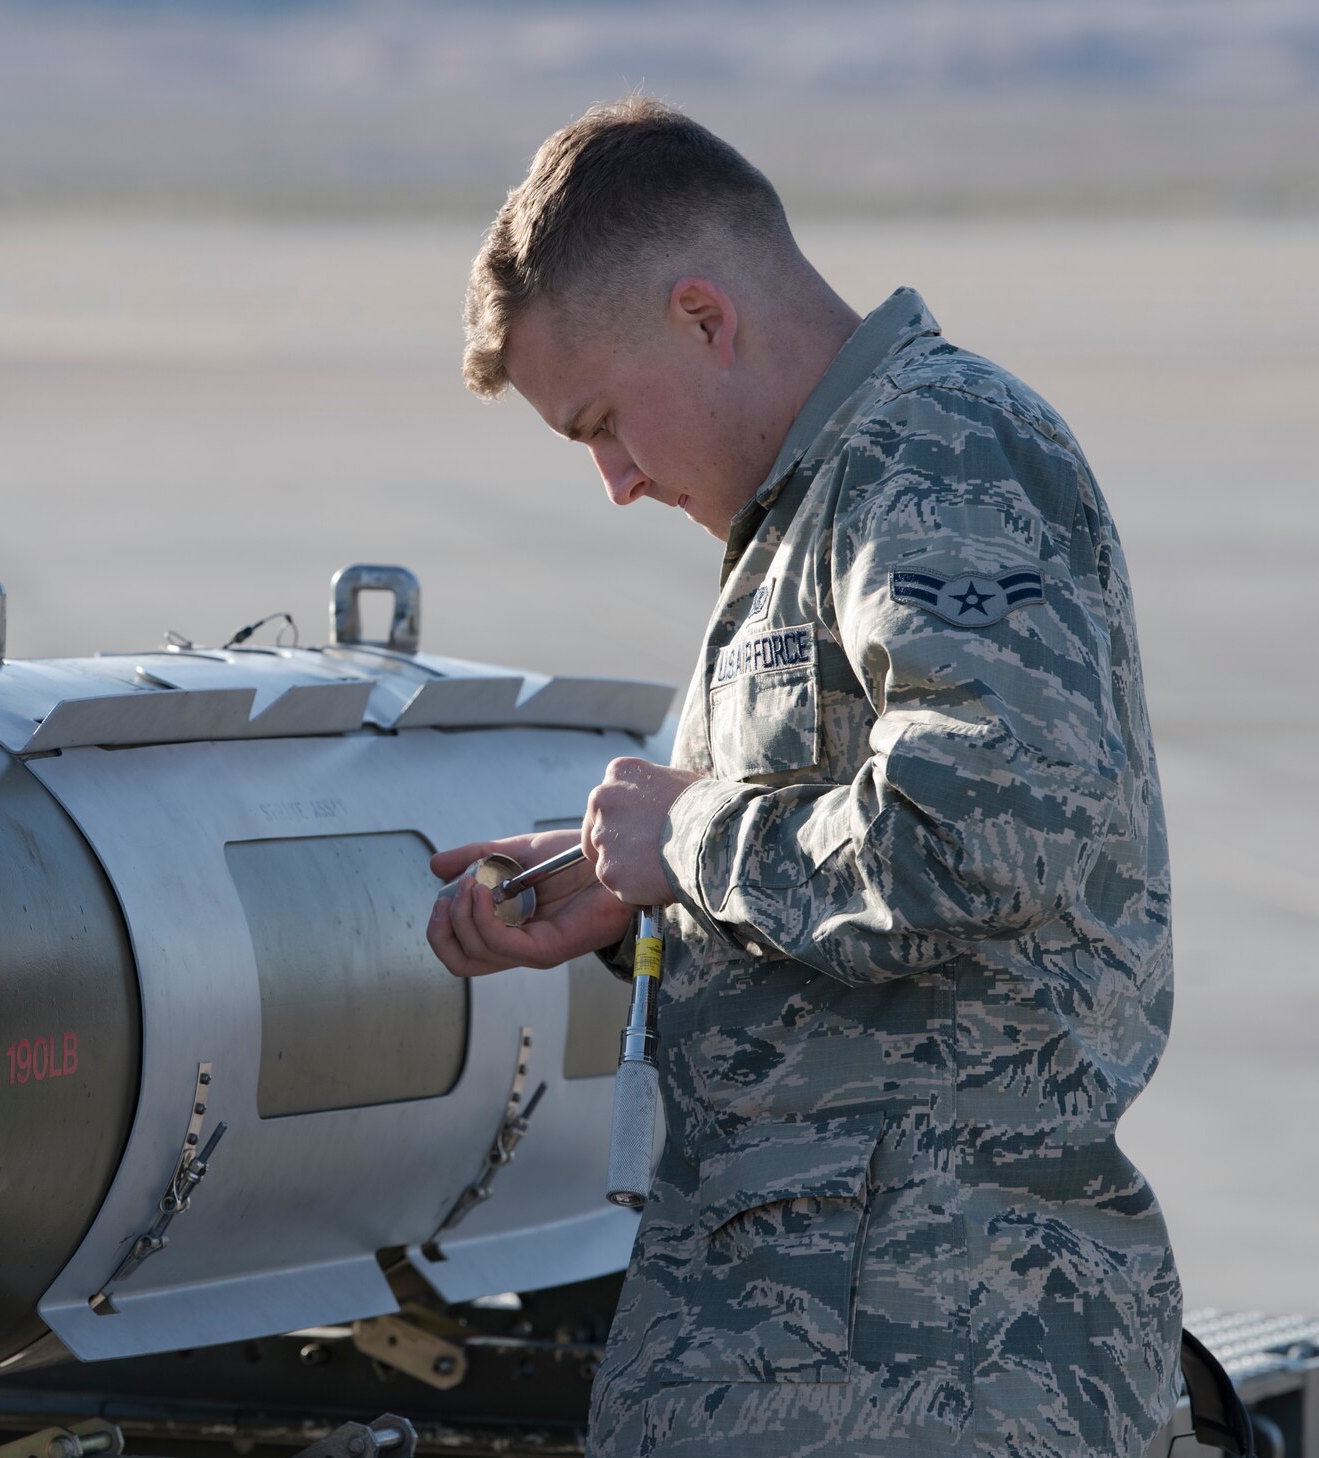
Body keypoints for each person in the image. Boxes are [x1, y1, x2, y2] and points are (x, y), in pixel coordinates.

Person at [425, 96, 1180, 1456]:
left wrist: (695, 842)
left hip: (931, 1361)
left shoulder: (937, 453)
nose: (614, 479)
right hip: (822, 1355)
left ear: (706, 318)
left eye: (602, 420)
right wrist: (637, 895)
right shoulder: (816, 508)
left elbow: (983, 834)